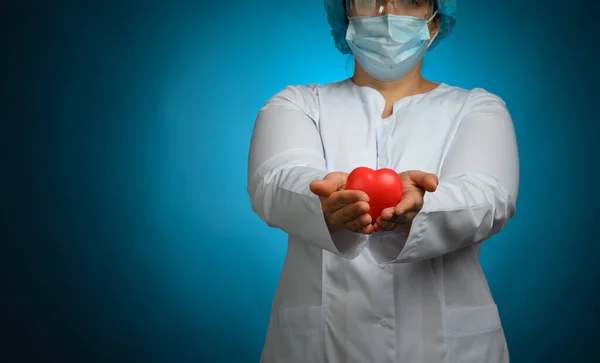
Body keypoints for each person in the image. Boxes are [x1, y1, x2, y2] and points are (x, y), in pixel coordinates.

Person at [246, 0, 519, 362]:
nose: (388, 15)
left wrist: (421, 206)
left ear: (434, 22)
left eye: (411, 0)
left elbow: (488, 196)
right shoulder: (296, 104)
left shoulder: (477, 108)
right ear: (346, 15)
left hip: (448, 349)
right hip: (321, 347)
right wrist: (325, 204)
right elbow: (275, 179)